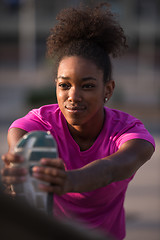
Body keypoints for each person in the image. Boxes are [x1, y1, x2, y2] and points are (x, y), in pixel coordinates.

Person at [1, 3, 155, 240]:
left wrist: (68, 181)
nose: (73, 96)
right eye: (64, 85)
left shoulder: (129, 132)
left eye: (88, 85)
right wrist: (17, 172)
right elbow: (20, 143)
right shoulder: (39, 124)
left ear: (108, 89)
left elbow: (114, 168)